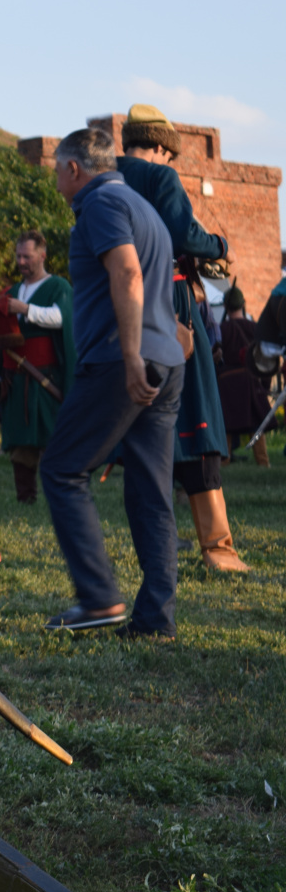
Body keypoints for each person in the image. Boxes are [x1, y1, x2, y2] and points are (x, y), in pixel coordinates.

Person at [38, 127, 186, 639]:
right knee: (152, 491)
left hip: (122, 361)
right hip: (167, 361)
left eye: (57, 170)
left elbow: (127, 274)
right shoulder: (143, 207)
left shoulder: (99, 205)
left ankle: (99, 597)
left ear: (75, 169)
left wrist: (127, 356)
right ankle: (155, 620)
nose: (56, 180)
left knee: (61, 469)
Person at [116, 104, 247, 572]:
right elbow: (183, 234)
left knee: (144, 433)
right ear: (160, 147)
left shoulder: (105, 178)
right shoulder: (160, 178)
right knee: (197, 418)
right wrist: (219, 245)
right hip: (169, 306)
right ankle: (218, 550)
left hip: (119, 312)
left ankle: (159, 552)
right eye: (169, 155)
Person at [0, 231, 73, 504]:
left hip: (47, 378)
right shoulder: (10, 292)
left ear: (42, 255)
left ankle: (60, 499)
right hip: (16, 381)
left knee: (51, 437)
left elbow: (62, 317)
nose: (21, 261)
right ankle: (25, 497)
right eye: (18, 256)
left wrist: (25, 309)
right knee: (20, 441)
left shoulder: (58, 286)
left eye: (27, 256)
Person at [215, 286, 273, 465]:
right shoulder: (255, 328)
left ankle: (224, 461)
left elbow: (215, 358)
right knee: (255, 425)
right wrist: (264, 385)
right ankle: (263, 462)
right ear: (243, 304)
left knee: (226, 425)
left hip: (227, 383)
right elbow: (265, 359)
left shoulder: (221, 329)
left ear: (225, 305)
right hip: (251, 381)